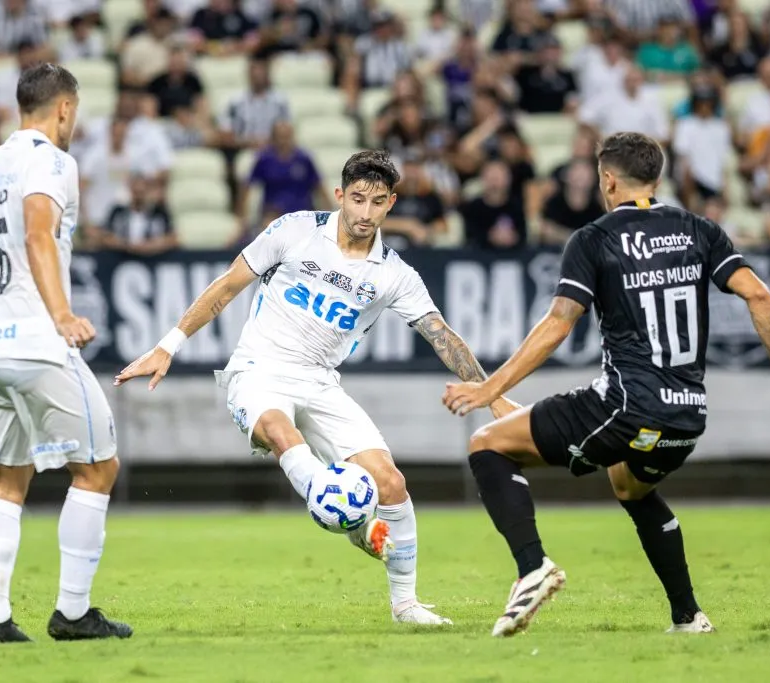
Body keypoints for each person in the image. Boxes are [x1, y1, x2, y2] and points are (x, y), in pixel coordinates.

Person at [114, 150, 519, 626]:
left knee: (391, 483)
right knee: (279, 429)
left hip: (321, 383)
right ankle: (335, 507)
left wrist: (492, 394)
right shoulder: (294, 230)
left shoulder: (394, 274)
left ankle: (406, 604)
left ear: (392, 203)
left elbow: (442, 336)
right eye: (358, 200)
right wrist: (168, 345)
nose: (366, 214)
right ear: (340, 195)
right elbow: (227, 286)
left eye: (378, 203)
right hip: (258, 370)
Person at [441, 132, 770, 637]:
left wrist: (487, 389)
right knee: (628, 484)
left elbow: (558, 325)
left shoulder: (594, 238)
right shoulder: (699, 229)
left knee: (486, 446)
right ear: (656, 178)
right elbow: (760, 296)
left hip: (626, 406)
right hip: (686, 415)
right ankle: (688, 617)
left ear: (607, 179)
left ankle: (532, 569)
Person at [0, 64, 131, 644]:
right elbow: (36, 233)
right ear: (62, 109)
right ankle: (73, 613)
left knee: (8, 479)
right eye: (73, 112)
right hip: (34, 345)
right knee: (99, 466)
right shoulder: (53, 160)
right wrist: (58, 314)